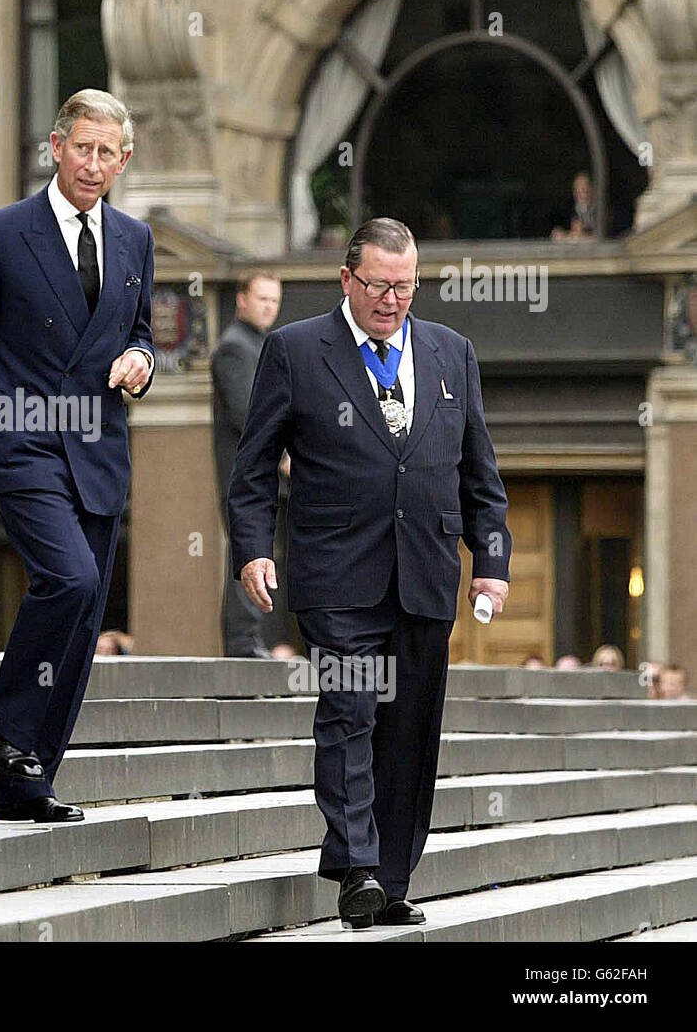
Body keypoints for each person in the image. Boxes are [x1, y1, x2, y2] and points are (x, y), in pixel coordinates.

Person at [228, 217, 512, 929]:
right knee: (349, 710)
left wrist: (493, 561)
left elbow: (479, 469)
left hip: (425, 573)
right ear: (346, 278)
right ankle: (355, 862)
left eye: (405, 286)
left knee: (409, 730)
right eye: (380, 285)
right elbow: (255, 464)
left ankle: (389, 877)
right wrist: (254, 548)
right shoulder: (295, 350)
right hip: (338, 575)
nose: (392, 299)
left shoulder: (452, 353)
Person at [0, 89, 155, 824]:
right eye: (81, 148)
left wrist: (140, 360)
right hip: (22, 438)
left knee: (86, 612)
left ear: (124, 159)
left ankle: (29, 775)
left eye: (107, 153)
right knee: (71, 576)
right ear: (55, 147)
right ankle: (7, 725)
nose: (93, 165)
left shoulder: (134, 240)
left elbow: (143, 330)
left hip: (98, 445)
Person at [212, 272, 285, 657]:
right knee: (251, 550)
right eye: (262, 298)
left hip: (262, 475)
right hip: (246, 477)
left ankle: (250, 640)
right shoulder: (235, 347)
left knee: (264, 552)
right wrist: (286, 457)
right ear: (241, 300)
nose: (269, 307)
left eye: (274, 300)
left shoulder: (262, 344)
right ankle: (242, 642)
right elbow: (247, 415)